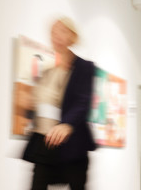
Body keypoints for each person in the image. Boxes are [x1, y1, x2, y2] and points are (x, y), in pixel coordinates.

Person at [22, 17, 96, 190]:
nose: (56, 36)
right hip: (44, 144)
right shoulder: (47, 72)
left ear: (72, 36)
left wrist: (67, 124)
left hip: (71, 146)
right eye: (53, 32)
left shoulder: (84, 67)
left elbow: (83, 100)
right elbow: (40, 107)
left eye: (62, 31)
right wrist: (29, 106)